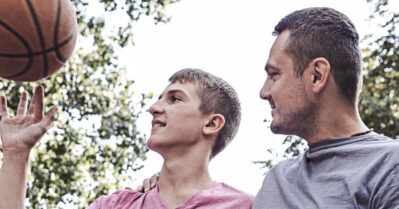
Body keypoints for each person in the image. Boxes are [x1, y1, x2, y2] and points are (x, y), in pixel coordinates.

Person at [0, 68, 254, 209]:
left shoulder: (245, 206)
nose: (153, 107)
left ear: (211, 123)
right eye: (159, 98)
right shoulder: (115, 206)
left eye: (174, 99)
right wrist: (16, 154)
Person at [253, 7, 399, 208]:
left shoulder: (390, 166)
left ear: (317, 76)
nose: (264, 92)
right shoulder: (276, 180)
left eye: (274, 75)